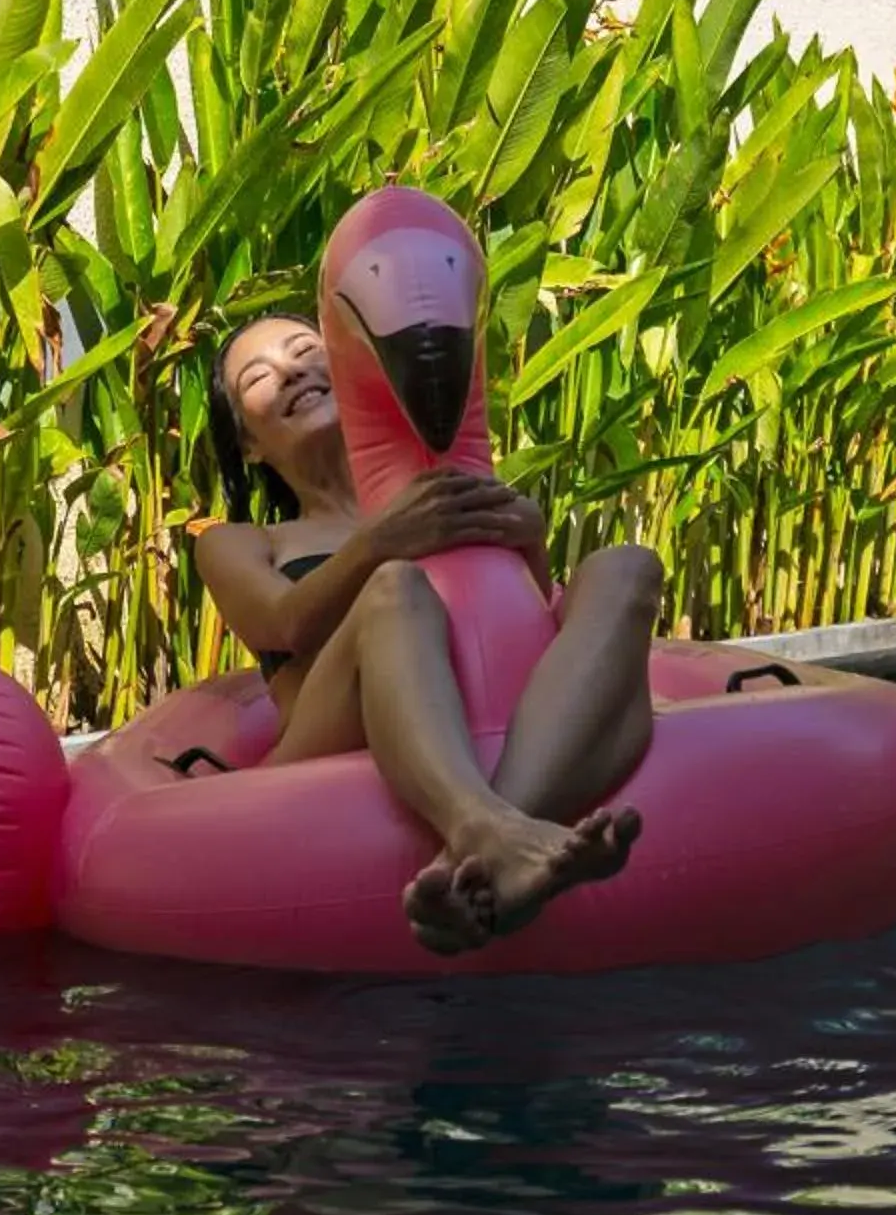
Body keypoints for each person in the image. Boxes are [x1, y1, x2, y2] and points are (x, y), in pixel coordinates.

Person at [191, 314, 665, 956]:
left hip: (478, 712)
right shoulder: (242, 541)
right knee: (395, 588)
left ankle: (495, 844)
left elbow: (517, 623)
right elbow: (280, 623)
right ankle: (485, 825)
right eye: (260, 376)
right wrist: (379, 544)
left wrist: (528, 540)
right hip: (326, 725)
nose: (292, 370)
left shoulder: (439, 492)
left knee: (626, 565)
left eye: (305, 350)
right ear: (247, 445)